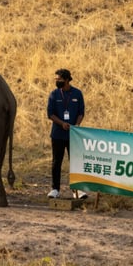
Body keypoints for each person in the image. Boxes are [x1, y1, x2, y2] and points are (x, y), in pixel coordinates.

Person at [47, 68, 85, 199]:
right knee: (56, 162)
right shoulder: (54, 94)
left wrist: (76, 126)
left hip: (73, 135)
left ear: (67, 80)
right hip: (57, 134)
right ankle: (55, 189)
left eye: (59, 80)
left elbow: (81, 112)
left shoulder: (77, 94)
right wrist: (62, 123)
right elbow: (50, 114)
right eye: (56, 79)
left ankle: (77, 190)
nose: (57, 82)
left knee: (75, 162)